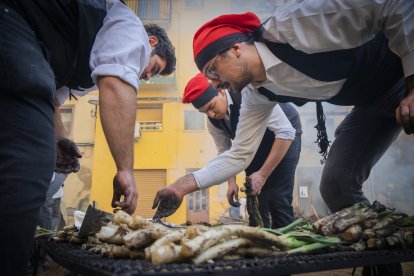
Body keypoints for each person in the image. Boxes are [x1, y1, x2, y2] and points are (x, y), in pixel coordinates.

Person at [0, 1, 176, 275]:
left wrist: (59, 139)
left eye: (153, 76)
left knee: (32, 153)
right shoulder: (130, 28)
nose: (147, 76)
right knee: (26, 165)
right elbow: (117, 86)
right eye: (154, 67)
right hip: (12, 17)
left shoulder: (83, 68)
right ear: (150, 42)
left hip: (23, 42)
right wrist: (125, 170)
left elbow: (52, 97)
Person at [182, 73, 302, 228]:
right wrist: (231, 183)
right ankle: (261, 245)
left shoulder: (249, 95)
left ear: (222, 91)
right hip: (254, 145)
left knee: (277, 196)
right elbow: (225, 150)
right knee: (256, 198)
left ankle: (286, 247)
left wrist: (263, 174)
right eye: (205, 112)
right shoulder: (214, 122)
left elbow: (285, 133)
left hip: (284, 136)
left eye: (211, 107)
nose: (211, 114)